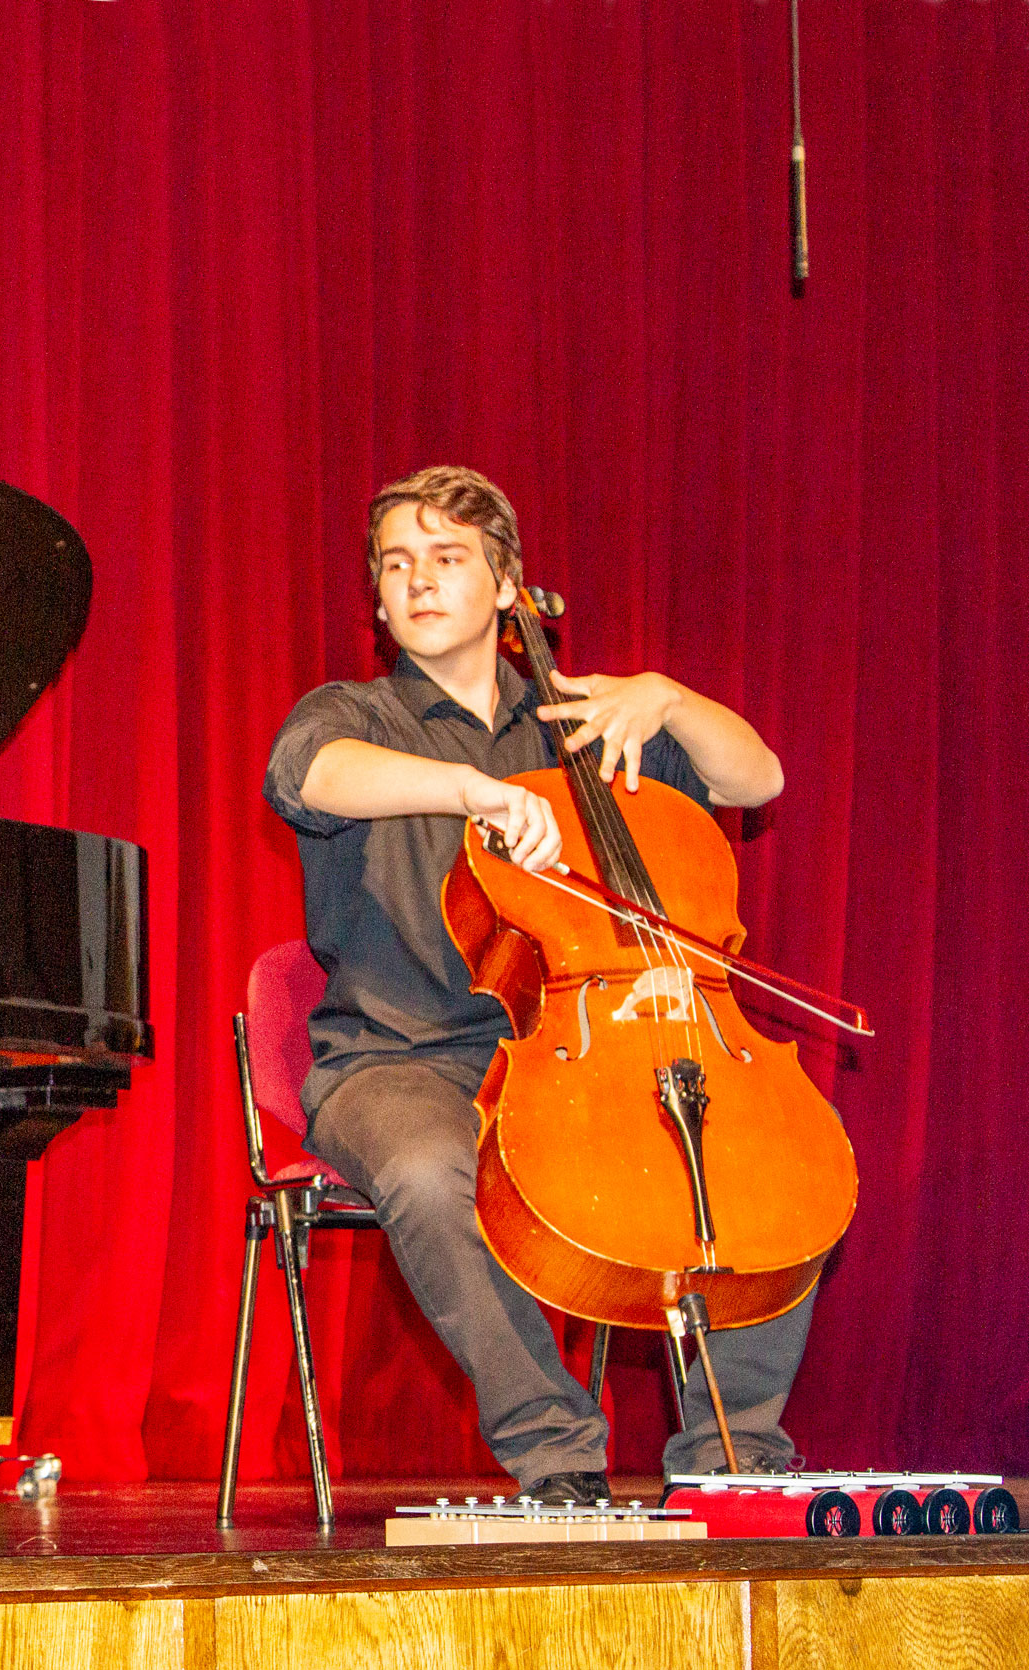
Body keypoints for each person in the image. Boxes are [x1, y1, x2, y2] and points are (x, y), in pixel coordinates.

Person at [261, 464, 809, 1503]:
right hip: (401, 1057)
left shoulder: (584, 722)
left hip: (582, 1050)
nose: (419, 581)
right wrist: (470, 789)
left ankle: (733, 1464)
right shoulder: (353, 713)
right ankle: (557, 1453)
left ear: (509, 586)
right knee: (430, 1170)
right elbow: (311, 774)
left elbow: (758, 778)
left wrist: (673, 701)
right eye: (397, 564)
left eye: (450, 558)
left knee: (763, 1153)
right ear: (376, 599)